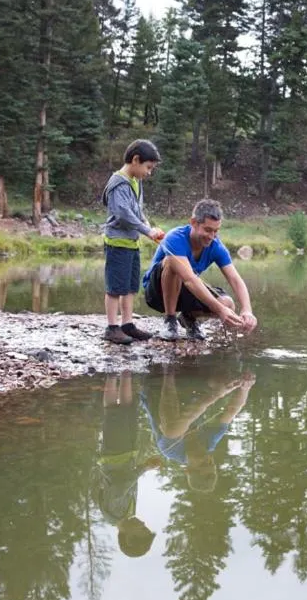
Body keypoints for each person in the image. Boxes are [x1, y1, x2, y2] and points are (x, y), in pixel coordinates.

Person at [142, 198, 257, 341]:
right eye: (208, 230)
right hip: (156, 294)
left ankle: (188, 317)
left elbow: (235, 279)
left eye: (215, 231)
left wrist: (247, 310)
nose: (211, 236)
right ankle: (170, 321)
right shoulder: (175, 238)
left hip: (184, 291)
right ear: (194, 223)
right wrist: (220, 311)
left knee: (227, 303)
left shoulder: (216, 245)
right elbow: (189, 280)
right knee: (173, 263)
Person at [140, 365, 255, 493]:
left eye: (203, 464)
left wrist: (217, 394)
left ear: (188, 469)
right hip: (192, 385)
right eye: (211, 463)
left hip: (157, 384)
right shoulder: (209, 443)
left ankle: (169, 368)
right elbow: (232, 410)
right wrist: (246, 387)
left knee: (172, 430)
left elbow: (185, 419)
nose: (208, 459)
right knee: (222, 381)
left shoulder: (171, 451)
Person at [101, 139, 166, 344]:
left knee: (130, 286)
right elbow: (123, 214)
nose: (149, 172)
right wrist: (147, 231)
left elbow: (137, 212)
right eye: (148, 167)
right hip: (117, 243)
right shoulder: (118, 183)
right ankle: (112, 328)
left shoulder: (135, 182)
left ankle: (127, 324)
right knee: (115, 287)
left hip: (131, 243)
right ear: (136, 160)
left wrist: (150, 228)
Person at [95, 372, 162, 557]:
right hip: (127, 452)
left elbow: (120, 485)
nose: (143, 524)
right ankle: (125, 373)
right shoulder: (128, 512)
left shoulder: (114, 514)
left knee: (112, 411)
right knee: (128, 409)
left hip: (115, 454)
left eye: (142, 530)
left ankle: (111, 372)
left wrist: (144, 468)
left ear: (129, 538)